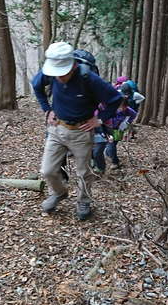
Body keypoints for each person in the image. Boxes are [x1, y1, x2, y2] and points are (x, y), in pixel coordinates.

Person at [32, 41, 122, 220]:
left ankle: (84, 201)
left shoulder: (89, 79)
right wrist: (47, 109)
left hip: (81, 132)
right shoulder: (48, 73)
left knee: (83, 172)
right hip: (56, 129)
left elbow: (115, 99)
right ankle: (59, 193)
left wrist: (100, 119)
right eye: (56, 74)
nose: (59, 77)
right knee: (48, 170)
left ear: (73, 66)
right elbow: (36, 86)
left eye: (63, 73)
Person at [104, 97, 137, 169]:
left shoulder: (128, 111)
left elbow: (134, 114)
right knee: (111, 144)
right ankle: (115, 162)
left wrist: (127, 122)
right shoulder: (111, 109)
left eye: (125, 107)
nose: (123, 109)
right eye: (121, 107)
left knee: (113, 144)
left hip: (119, 130)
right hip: (109, 128)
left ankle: (109, 154)